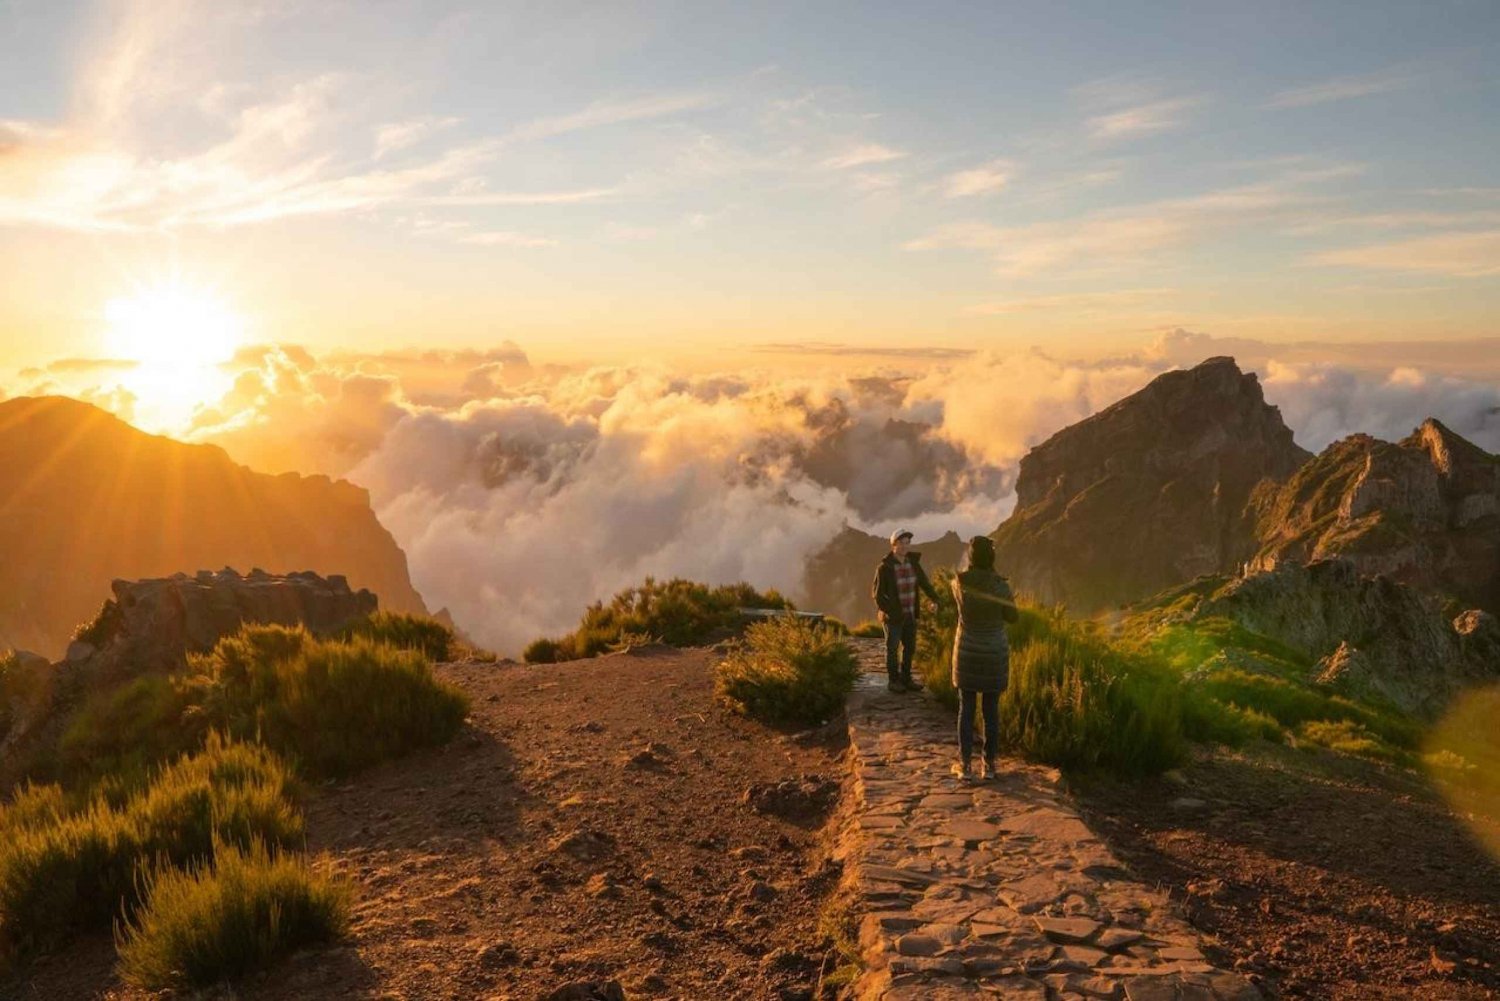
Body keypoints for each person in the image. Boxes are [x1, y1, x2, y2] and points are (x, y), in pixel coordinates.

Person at [950, 535, 1019, 781]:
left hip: (967, 650)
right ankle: (989, 766)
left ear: (971, 557)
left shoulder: (959, 583)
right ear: (992, 558)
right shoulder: (1001, 586)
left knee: (965, 709)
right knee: (991, 710)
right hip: (993, 653)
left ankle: (965, 765)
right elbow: (1012, 617)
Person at [871, 528, 941, 694]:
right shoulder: (884, 568)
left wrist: (936, 599)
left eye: (907, 543)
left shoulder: (913, 564)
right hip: (893, 617)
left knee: (910, 647)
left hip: (910, 614)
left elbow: (925, 584)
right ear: (893, 545)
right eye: (901, 543)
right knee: (892, 648)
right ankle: (893, 681)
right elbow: (877, 595)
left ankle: (906, 678)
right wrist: (891, 612)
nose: (904, 546)